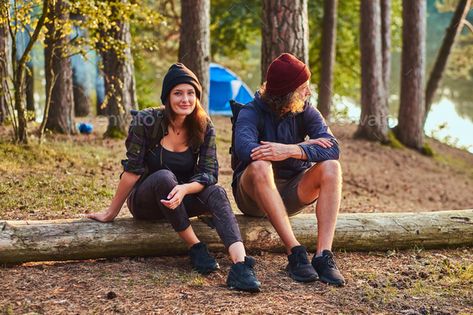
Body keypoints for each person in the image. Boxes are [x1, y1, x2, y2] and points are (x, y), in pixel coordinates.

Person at [87, 63, 261, 293]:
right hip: (147, 201)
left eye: (191, 93)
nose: (185, 99)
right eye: (178, 93)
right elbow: (133, 170)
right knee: (164, 177)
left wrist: (185, 189)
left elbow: (209, 173)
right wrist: (111, 212)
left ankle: (240, 265)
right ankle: (196, 247)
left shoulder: (204, 125)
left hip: (183, 196)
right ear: (167, 96)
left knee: (216, 192)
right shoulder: (146, 121)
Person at [232, 53, 345, 286]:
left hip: (292, 191)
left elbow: (333, 148)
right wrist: (303, 147)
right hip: (253, 196)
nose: (309, 92)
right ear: (288, 92)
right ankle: (295, 253)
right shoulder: (251, 111)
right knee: (261, 165)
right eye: (303, 87)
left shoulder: (307, 111)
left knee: (331, 167)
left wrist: (291, 149)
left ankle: (323, 256)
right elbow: (246, 149)